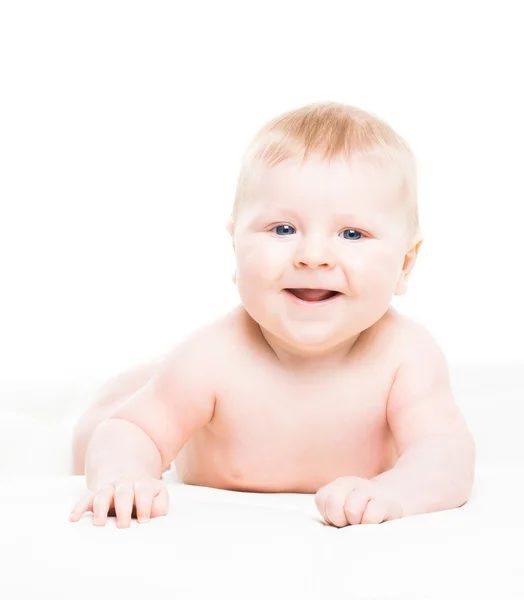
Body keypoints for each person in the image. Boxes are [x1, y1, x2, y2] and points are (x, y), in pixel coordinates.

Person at [69, 102, 475, 529]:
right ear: (235, 246)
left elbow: (445, 452)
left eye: (352, 234)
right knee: (92, 437)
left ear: (406, 263)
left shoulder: (405, 357)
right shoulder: (213, 356)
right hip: (168, 390)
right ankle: (123, 386)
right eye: (283, 229)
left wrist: (398, 493)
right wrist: (123, 475)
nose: (313, 256)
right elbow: (133, 430)